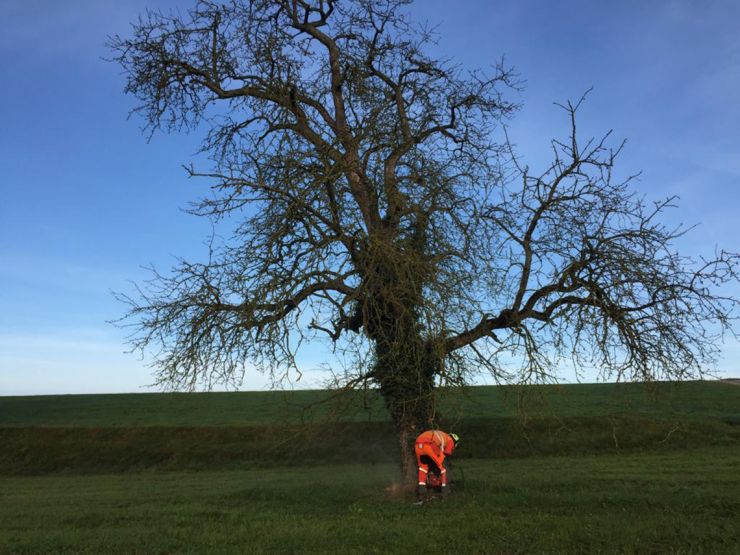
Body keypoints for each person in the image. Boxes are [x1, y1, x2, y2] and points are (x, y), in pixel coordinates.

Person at [414, 429, 459, 499]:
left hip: (418, 444)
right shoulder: (450, 440)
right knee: (444, 468)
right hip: (430, 444)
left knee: (423, 468)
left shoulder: (443, 436)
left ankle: (422, 493)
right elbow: (446, 455)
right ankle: (445, 492)